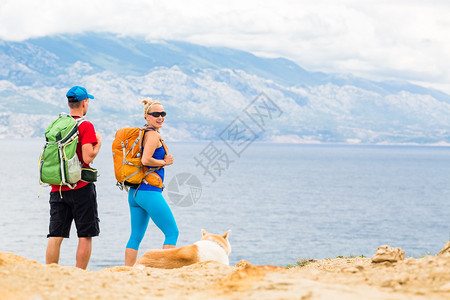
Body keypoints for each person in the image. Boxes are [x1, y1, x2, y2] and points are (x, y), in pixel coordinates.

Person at [45, 86, 102, 270]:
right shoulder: (86, 125)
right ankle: (80, 275)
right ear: (85, 102)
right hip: (81, 188)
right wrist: (99, 143)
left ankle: (50, 273)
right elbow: (87, 157)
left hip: (58, 187)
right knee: (85, 234)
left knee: (55, 235)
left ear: (69, 103)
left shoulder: (58, 124)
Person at [124, 98, 179, 266]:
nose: (160, 117)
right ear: (147, 116)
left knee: (135, 236)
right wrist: (165, 162)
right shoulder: (153, 135)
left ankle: (128, 271)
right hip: (148, 192)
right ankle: (165, 270)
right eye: (156, 114)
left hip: (135, 193)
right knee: (172, 232)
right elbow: (146, 160)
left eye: (163, 114)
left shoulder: (144, 134)